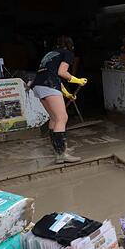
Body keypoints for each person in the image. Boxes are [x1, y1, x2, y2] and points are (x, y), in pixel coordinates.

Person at [30, 36, 87, 164]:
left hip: (38, 85)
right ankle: (61, 154)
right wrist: (77, 80)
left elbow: (53, 74)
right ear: (70, 46)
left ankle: (58, 149)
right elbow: (62, 72)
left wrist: (67, 94)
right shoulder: (67, 53)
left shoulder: (50, 54)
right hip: (49, 85)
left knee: (54, 118)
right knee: (62, 118)